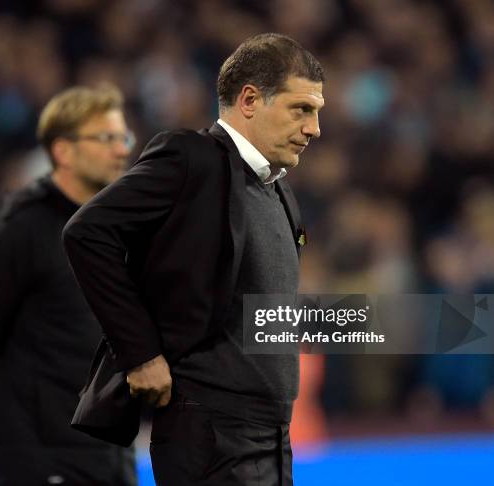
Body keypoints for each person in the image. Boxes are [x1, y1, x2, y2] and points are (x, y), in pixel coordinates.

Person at [63, 33, 325, 486]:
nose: (314, 128)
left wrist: (439, 325)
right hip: (212, 432)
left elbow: (258, 311)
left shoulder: (279, 189)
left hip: (273, 436)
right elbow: (87, 232)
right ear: (248, 100)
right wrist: (141, 355)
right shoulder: (191, 159)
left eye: (317, 112)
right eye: (301, 109)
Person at [0, 85, 137, 486]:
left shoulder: (119, 232)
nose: (121, 150)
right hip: (37, 455)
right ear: (63, 151)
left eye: (123, 138)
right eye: (106, 138)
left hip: (109, 453)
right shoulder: (15, 235)